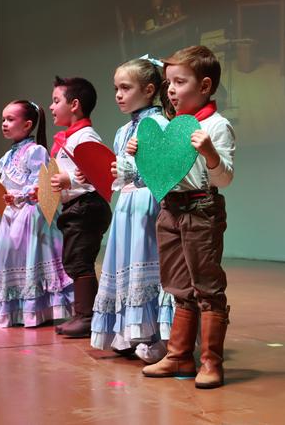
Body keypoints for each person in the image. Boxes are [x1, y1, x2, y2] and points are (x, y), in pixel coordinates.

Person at [139, 45, 235, 389]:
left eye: (180, 82)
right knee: (178, 286)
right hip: (170, 209)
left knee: (207, 286)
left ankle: (211, 361)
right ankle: (179, 356)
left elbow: (224, 178)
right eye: (169, 83)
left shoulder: (217, 126)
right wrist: (140, 156)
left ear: (205, 86)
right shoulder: (171, 126)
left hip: (201, 210)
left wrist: (210, 152)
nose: (171, 90)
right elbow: (156, 176)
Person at [89, 58, 171, 363]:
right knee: (125, 263)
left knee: (146, 262)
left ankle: (154, 335)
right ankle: (127, 330)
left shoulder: (160, 125)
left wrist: (135, 174)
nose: (118, 95)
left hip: (147, 203)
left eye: (126, 87)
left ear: (148, 90)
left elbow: (162, 172)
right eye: (116, 88)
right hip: (126, 204)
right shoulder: (123, 130)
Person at [0, 100, 72, 328]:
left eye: (10, 119)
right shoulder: (7, 156)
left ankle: (36, 310)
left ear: (27, 125)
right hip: (11, 215)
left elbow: (39, 183)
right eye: (3, 119)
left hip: (30, 215)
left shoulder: (35, 151)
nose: (4, 124)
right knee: (11, 260)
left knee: (31, 258)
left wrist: (21, 195)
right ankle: (15, 310)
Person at [48, 76, 112, 337]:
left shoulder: (86, 136)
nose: (51, 107)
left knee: (80, 261)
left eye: (56, 101)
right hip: (76, 206)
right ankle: (81, 314)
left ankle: (87, 317)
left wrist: (70, 180)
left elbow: (97, 172)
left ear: (74, 104)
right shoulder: (71, 137)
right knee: (74, 260)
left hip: (87, 206)